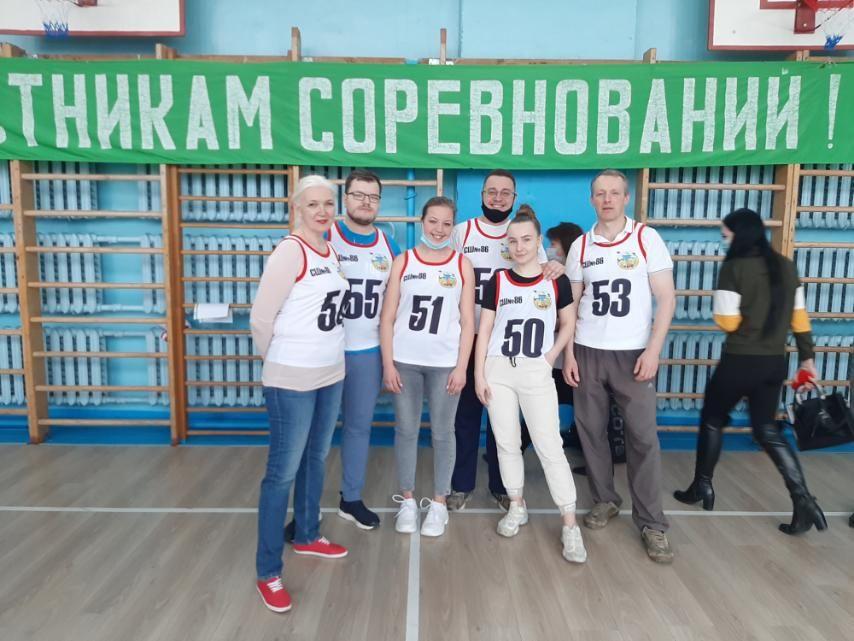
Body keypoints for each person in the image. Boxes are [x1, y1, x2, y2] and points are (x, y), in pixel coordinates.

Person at [674, 207, 827, 535]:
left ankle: (702, 485)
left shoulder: (734, 267)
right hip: (774, 363)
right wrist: (807, 358)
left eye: (725, 234)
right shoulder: (785, 266)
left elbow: (727, 322)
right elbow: (800, 318)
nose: (723, 239)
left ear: (738, 234)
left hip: (739, 360)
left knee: (713, 419)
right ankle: (803, 500)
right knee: (767, 429)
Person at [564, 169, 676, 564]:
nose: (607, 199)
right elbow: (570, 306)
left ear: (626, 198)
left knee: (642, 438)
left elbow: (667, 298)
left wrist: (653, 350)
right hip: (588, 350)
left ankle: (652, 523)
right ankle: (605, 499)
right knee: (591, 432)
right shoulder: (581, 246)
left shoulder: (646, 238)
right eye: (600, 193)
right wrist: (568, 354)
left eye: (614, 193)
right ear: (591, 199)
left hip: (633, 354)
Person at [250, 175, 349, 613]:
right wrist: (279, 362)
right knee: (282, 473)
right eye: (313, 204)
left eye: (328, 203)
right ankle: (268, 572)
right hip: (291, 378)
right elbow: (261, 318)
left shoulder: (331, 249)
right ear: (297, 209)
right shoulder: (290, 251)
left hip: (331, 373)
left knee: (316, 458)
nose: (323, 211)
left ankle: (307, 534)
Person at [474, 206, 587, 563]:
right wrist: (479, 374)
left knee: (549, 445)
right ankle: (517, 505)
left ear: (538, 241)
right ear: (506, 244)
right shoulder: (498, 281)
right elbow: (485, 330)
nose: (519, 247)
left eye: (526, 240)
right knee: (506, 442)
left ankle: (570, 524)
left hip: (536, 370)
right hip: (499, 369)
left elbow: (568, 323)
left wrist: (551, 355)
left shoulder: (556, 279)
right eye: (513, 241)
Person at [447, 170, 563, 512]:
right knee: (466, 417)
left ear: (514, 198)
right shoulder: (462, 232)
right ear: (482, 195)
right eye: (492, 191)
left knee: (504, 421)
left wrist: (557, 267)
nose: (498, 198)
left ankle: (502, 487)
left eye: (505, 192)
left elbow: (546, 277)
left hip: (507, 344)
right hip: (470, 337)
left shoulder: (522, 234)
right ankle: (461, 485)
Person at [380, 196, 475, 537]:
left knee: (443, 433)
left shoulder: (462, 265)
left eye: (446, 223)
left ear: (453, 227)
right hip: (405, 362)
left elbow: (468, 321)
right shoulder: (403, 262)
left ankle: (438, 503)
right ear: (423, 221)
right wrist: (388, 364)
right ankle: (407, 501)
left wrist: (461, 367)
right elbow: (387, 317)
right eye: (433, 221)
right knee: (406, 430)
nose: (439, 229)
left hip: (445, 364)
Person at [329, 169, 400, 530]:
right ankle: (305, 511)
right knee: (313, 434)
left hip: (367, 351)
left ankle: (350, 498)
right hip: (324, 351)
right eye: (358, 195)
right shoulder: (324, 237)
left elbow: (400, 301)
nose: (365, 202)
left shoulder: (388, 245)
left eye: (372, 197)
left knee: (358, 427)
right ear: (345, 198)